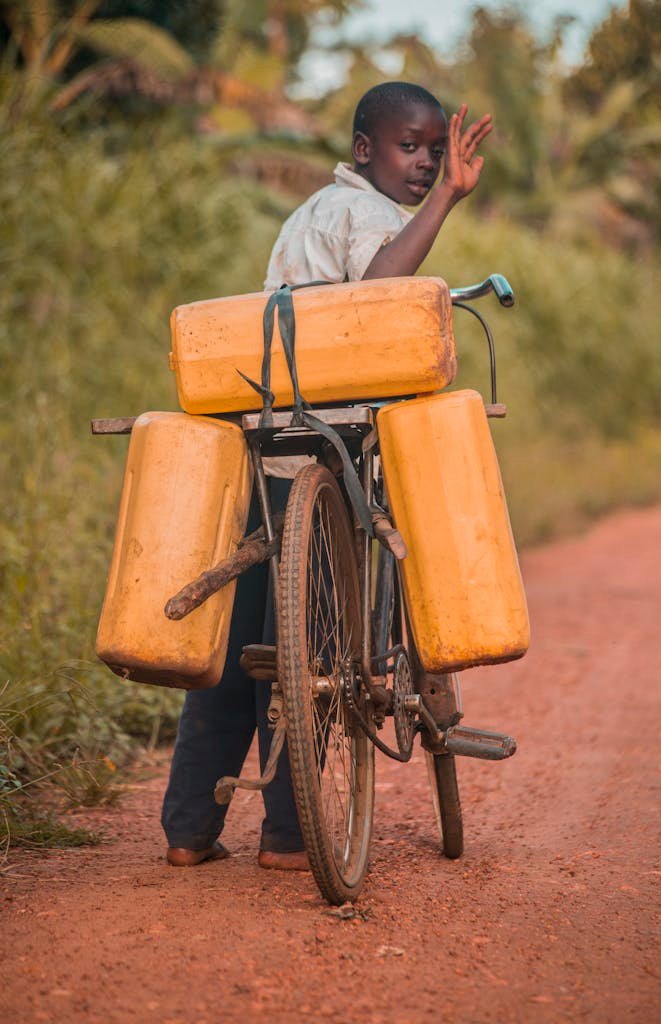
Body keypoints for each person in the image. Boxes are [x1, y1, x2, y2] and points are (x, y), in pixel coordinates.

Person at [162, 81, 492, 869]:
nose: (424, 164)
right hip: (327, 449)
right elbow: (375, 296)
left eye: (434, 154)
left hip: (264, 447)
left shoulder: (310, 213)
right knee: (310, 648)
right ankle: (285, 836)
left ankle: (185, 831)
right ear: (363, 151)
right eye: (411, 148)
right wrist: (445, 201)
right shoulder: (366, 216)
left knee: (240, 641)